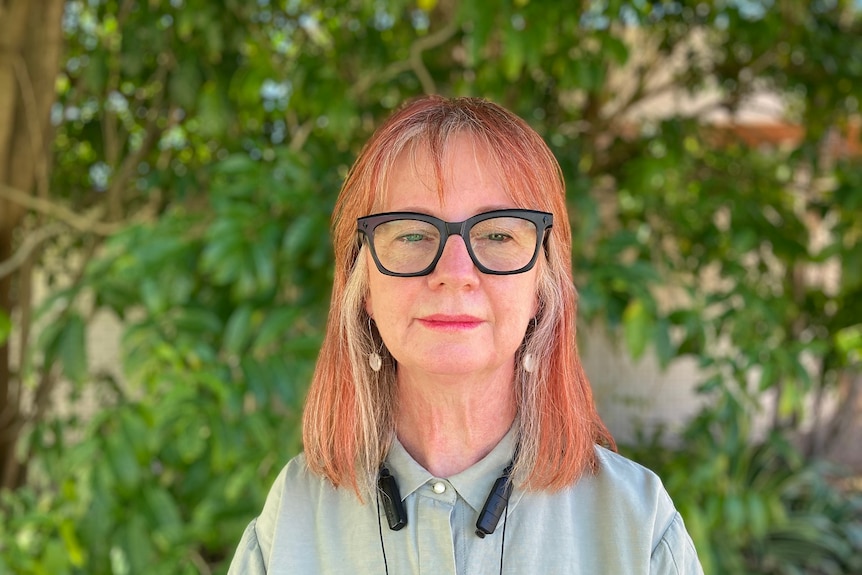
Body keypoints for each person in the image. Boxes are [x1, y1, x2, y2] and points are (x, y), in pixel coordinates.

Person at [227, 95, 703, 574]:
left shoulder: (637, 526)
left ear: (542, 286)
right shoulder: (291, 518)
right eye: (412, 233)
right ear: (363, 285)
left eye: (497, 235)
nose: (455, 273)